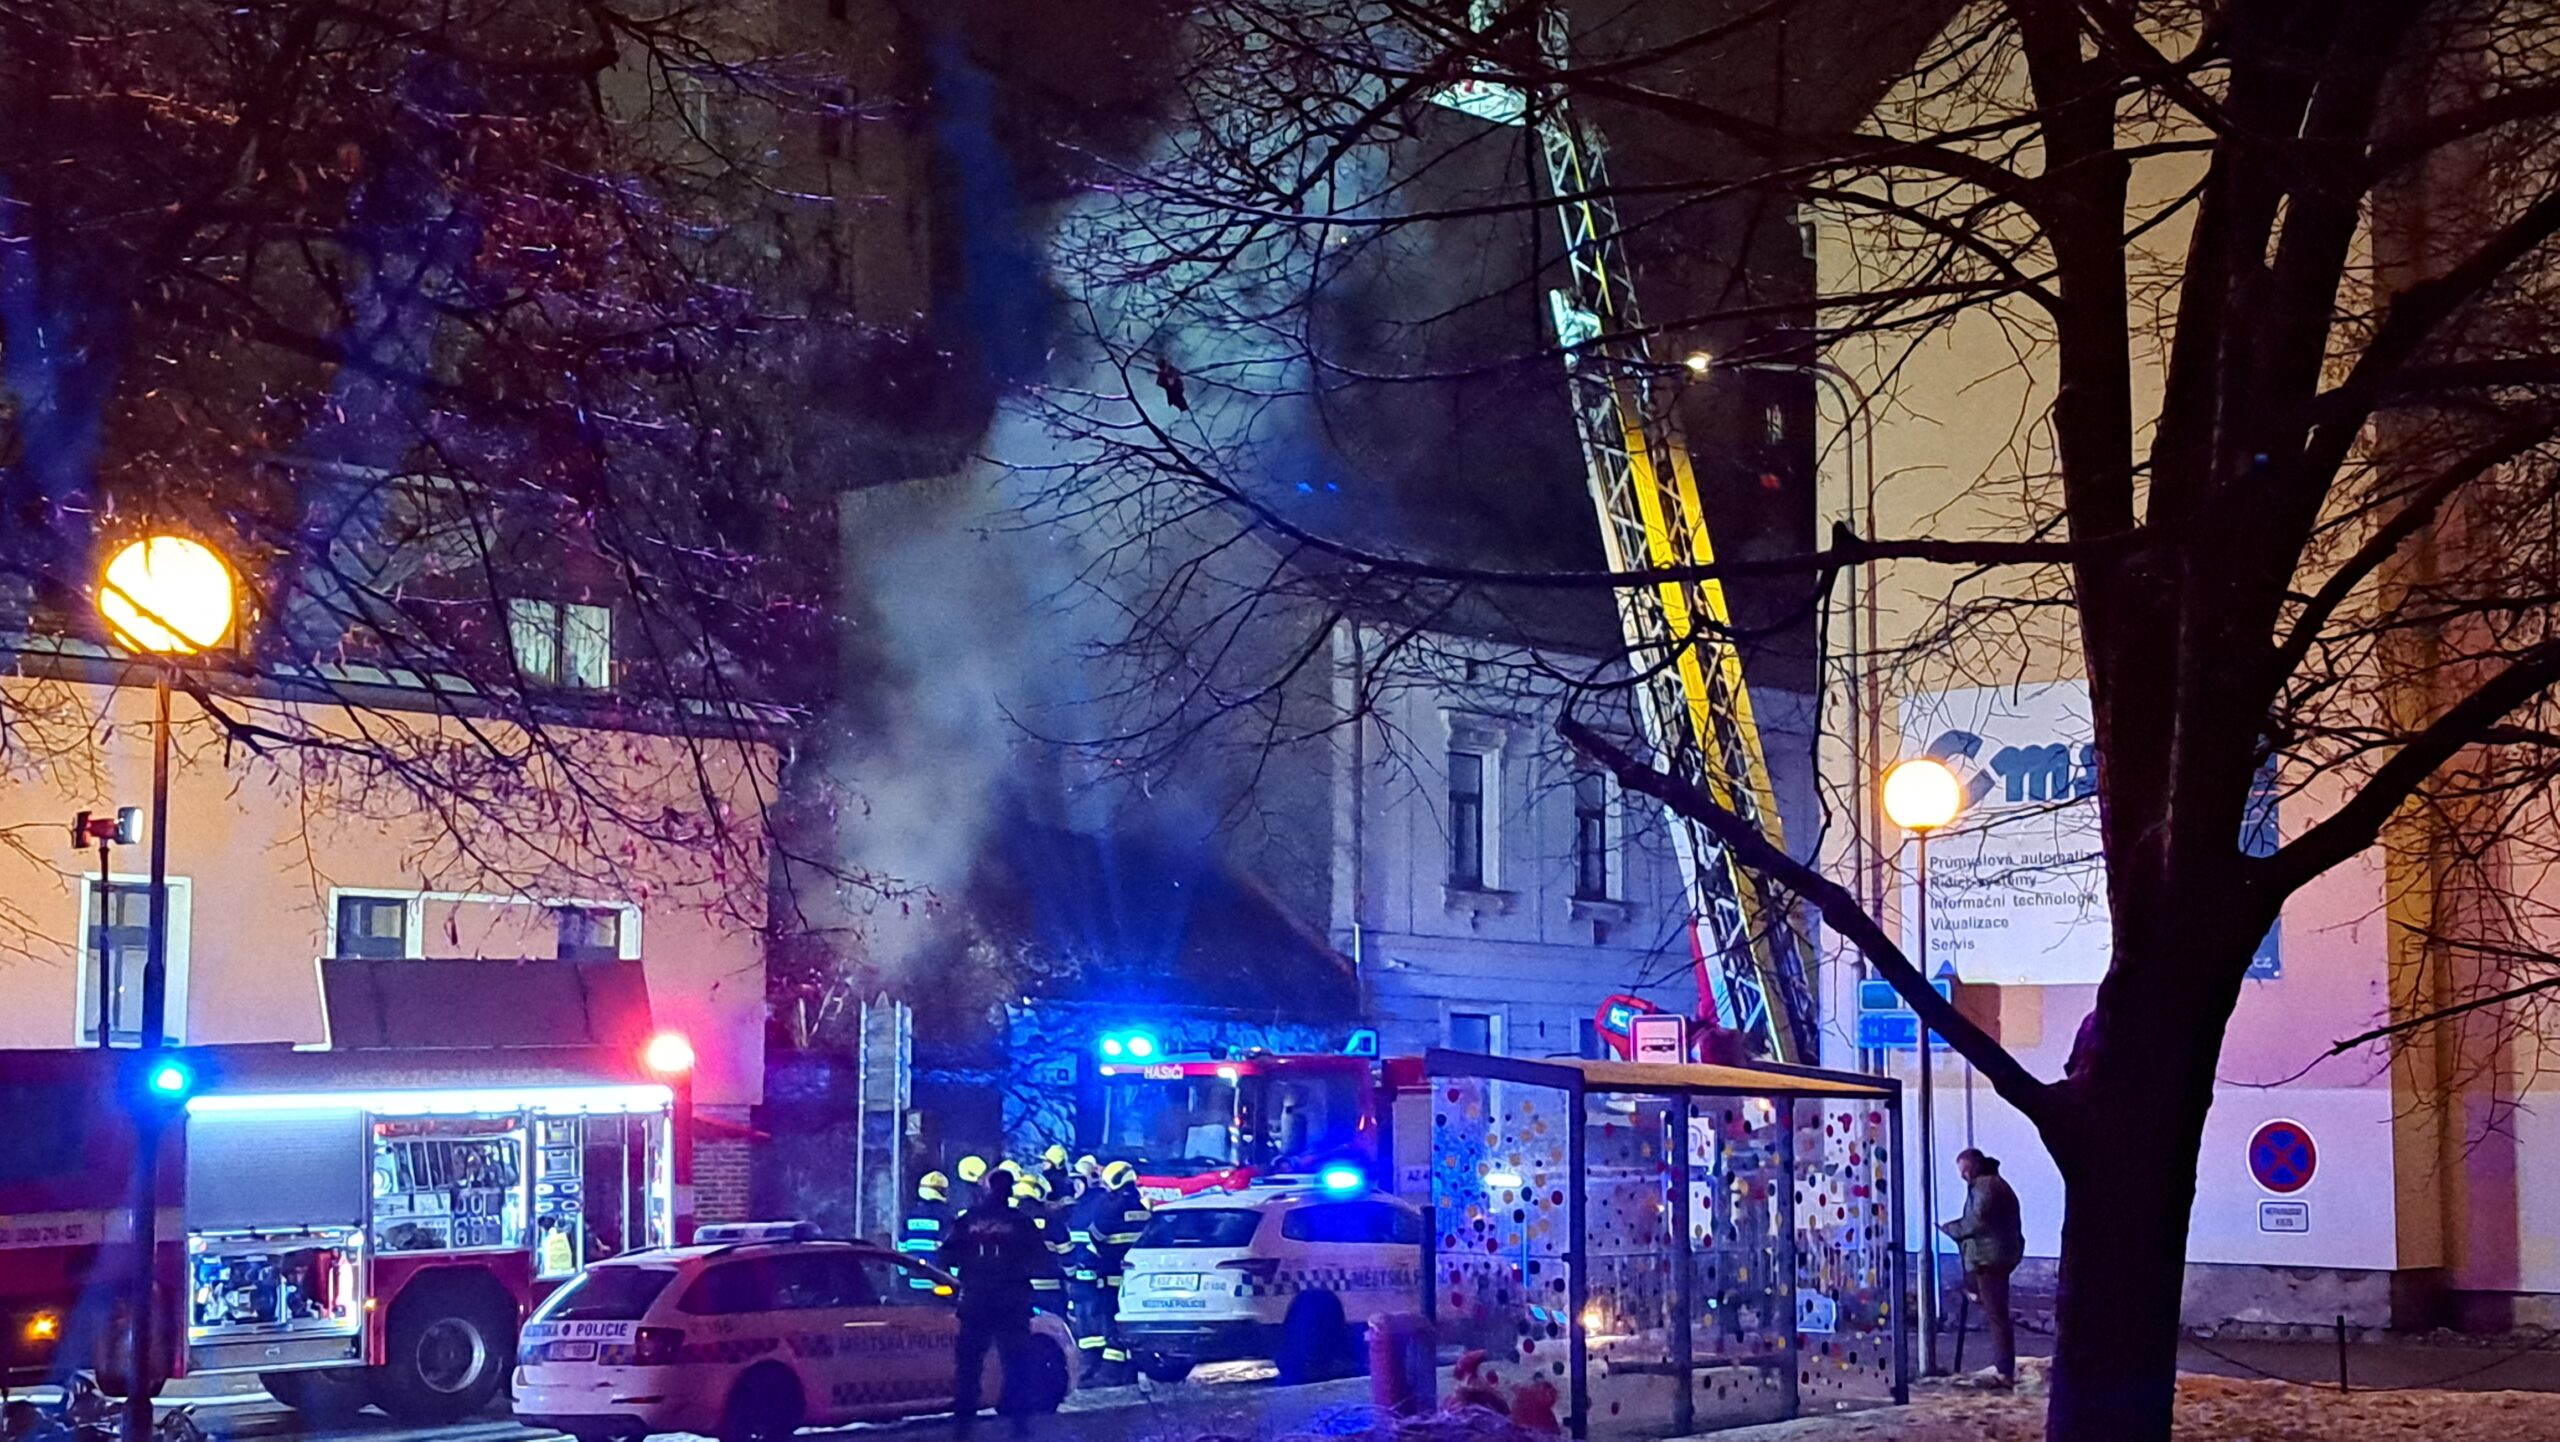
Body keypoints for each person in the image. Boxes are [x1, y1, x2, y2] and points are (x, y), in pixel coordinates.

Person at [939, 1165, 1047, 1434]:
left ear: (987, 1188)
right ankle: (1019, 1426)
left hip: (975, 1300)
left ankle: (963, 1426)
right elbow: (1041, 1259)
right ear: (1010, 1191)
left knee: (969, 1365)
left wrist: (970, 1268)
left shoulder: (967, 1221)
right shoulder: (1021, 1222)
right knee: (1017, 1363)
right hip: (1012, 1302)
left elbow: (946, 1257)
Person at [1940, 1148, 2025, 1387]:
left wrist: (1952, 1229)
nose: (1962, 1176)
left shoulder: (1984, 1187)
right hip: (1998, 1254)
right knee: (1994, 1307)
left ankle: (2004, 1371)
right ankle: (1974, 1292)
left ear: (1973, 1167)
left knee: (1997, 1314)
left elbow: (1978, 1220)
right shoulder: (1994, 1184)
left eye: (1964, 1170)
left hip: (1990, 1258)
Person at [1084, 1160, 1153, 1385]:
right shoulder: (1143, 1207)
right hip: (1136, 1277)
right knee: (1129, 1322)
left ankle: (1112, 1373)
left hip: (1112, 1274)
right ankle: (1129, 1371)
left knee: (1111, 1322)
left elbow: (1096, 1234)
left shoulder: (1111, 1207)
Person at [1013, 1172, 1071, 1315]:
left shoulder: (1008, 1219)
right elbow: (1066, 1252)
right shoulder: (1052, 1218)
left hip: (1018, 1289)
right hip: (1050, 1290)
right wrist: (1070, 1276)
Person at [900, 1171, 956, 1290]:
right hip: (940, 1284)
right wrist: (955, 1276)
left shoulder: (911, 1215)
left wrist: (903, 1273)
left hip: (914, 1281)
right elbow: (951, 1248)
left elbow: (902, 1246)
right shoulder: (947, 1216)